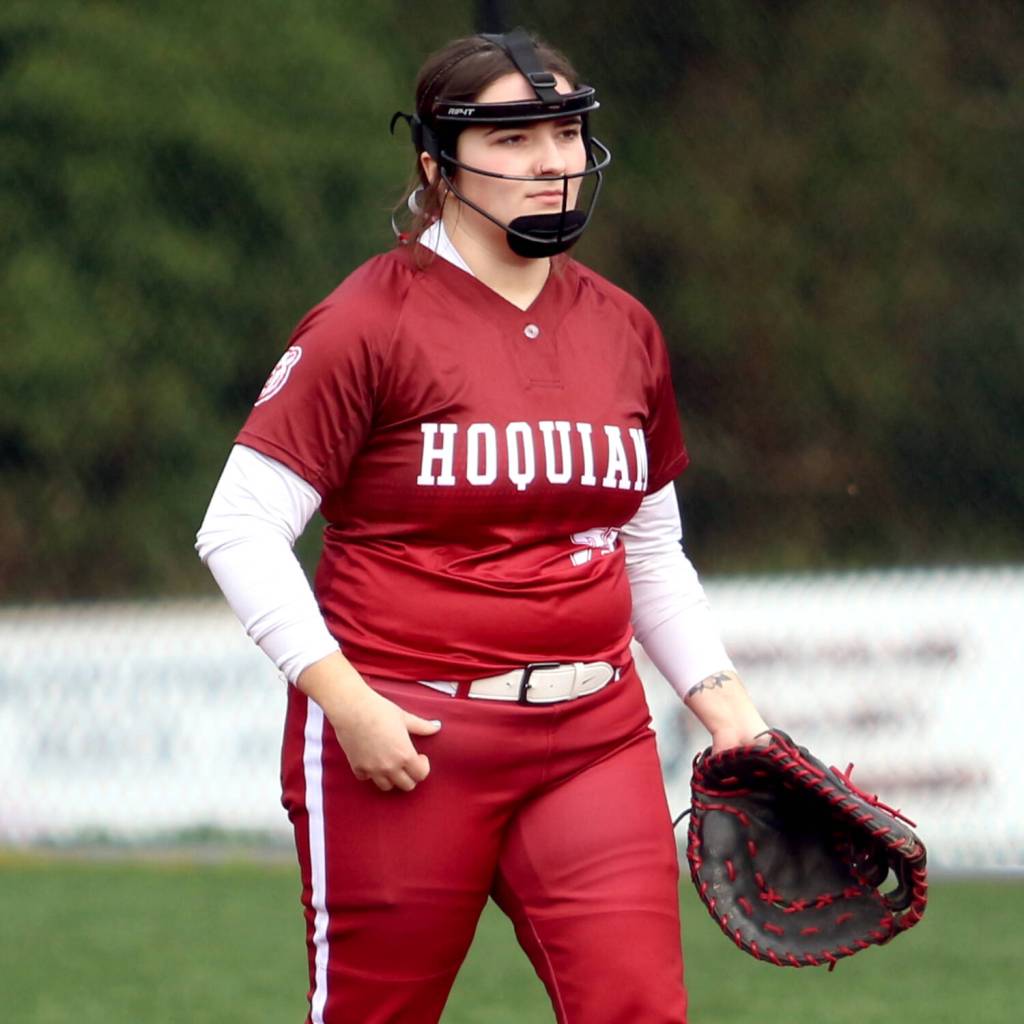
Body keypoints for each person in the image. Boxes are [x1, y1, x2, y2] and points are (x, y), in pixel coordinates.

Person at [196, 27, 768, 1024]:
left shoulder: (623, 326)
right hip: (410, 735)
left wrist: (726, 707)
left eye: (561, 131)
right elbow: (239, 527)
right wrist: (347, 701)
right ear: (435, 162)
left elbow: (646, 547)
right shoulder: (368, 320)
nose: (548, 160)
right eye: (509, 137)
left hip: (595, 732)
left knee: (638, 1008)